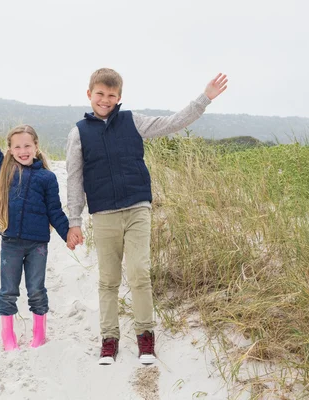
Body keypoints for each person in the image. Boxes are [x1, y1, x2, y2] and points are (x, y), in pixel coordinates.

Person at [66, 68, 228, 365]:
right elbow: (74, 179)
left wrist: (204, 98)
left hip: (138, 208)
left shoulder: (133, 121)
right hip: (103, 215)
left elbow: (171, 124)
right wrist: (73, 222)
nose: (105, 100)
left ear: (119, 98)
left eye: (111, 95)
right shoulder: (78, 132)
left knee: (140, 272)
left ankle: (145, 338)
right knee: (109, 279)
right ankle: (109, 340)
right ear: (89, 94)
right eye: (100, 94)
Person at [0, 87, 70, 351]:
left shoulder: (47, 178)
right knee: (8, 291)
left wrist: (68, 233)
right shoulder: (5, 170)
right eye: (17, 147)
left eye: (28, 146)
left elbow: (55, 211)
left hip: (37, 244)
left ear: (36, 147)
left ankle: (39, 333)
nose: (23, 150)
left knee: (36, 289)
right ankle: (8, 336)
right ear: (11, 150)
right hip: (10, 242)